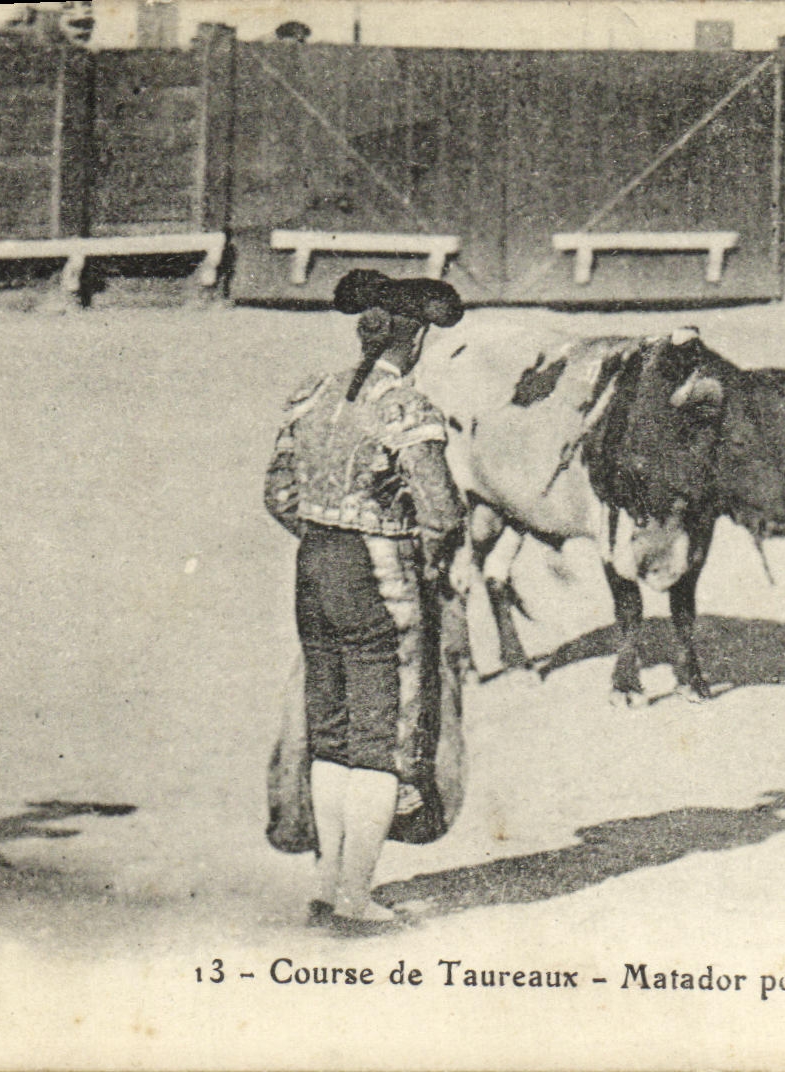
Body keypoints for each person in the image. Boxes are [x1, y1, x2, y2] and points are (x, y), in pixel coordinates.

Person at [264, 269, 467, 930]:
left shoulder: (311, 394)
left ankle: (326, 885)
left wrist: (327, 529)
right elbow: (442, 512)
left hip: (313, 568)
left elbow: (278, 495)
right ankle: (354, 895)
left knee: (331, 730)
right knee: (383, 736)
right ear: (416, 341)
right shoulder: (405, 406)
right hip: (380, 576)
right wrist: (415, 548)